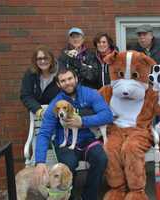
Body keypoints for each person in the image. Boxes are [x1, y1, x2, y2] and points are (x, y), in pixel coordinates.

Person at [33, 68, 113, 200]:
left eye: (70, 79)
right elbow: (44, 133)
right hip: (66, 142)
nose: (67, 83)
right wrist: (40, 161)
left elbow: (107, 116)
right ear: (59, 84)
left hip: (88, 139)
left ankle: (89, 196)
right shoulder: (56, 103)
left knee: (101, 158)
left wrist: (82, 121)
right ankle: (70, 197)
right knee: (68, 163)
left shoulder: (90, 94)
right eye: (63, 81)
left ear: (76, 79)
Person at [20, 45, 59, 119]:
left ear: (51, 59)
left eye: (46, 58)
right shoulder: (30, 74)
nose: (43, 61)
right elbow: (26, 95)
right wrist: (38, 110)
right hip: (37, 115)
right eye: (39, 59)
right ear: (35, 61)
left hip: (57, 114)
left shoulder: (60, 73)